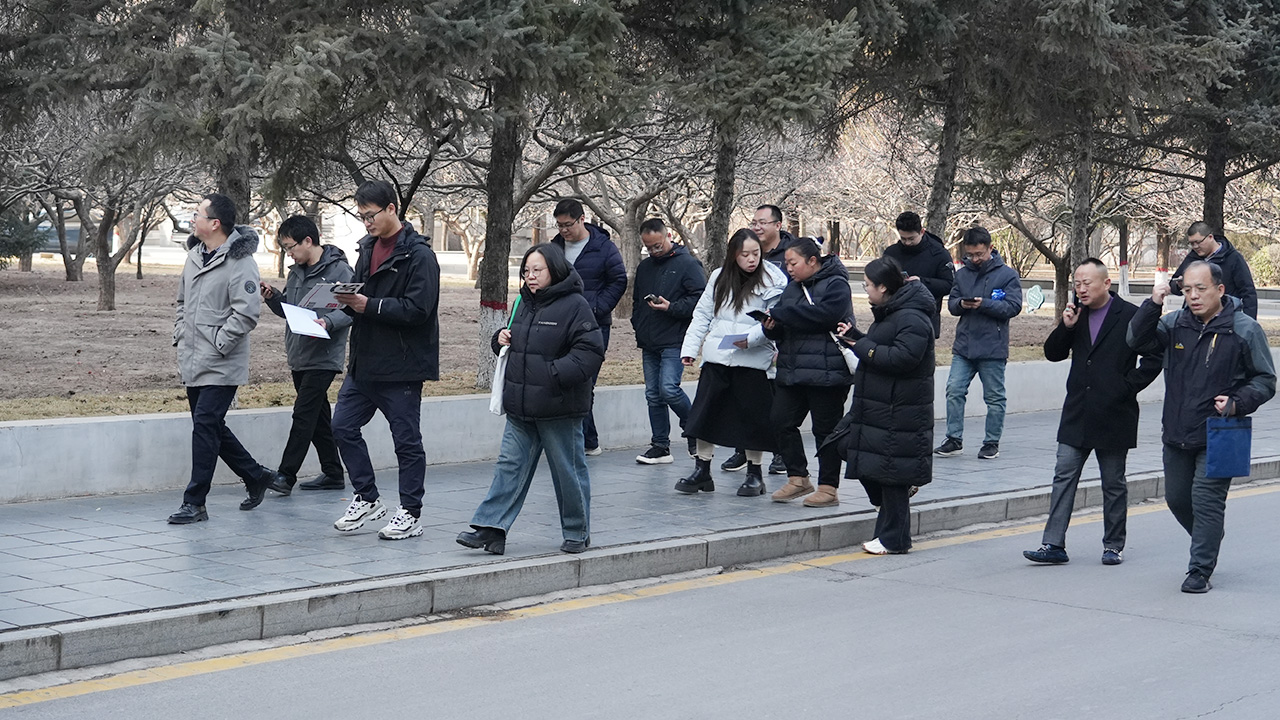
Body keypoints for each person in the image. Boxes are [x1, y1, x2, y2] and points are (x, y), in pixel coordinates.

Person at [1128, 260, 1275, 593]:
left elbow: (1265, 380)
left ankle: (1199, 570)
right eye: (1187, 289)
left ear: (1220, 290)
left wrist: (1237, 402)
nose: (1193, 296)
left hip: (1220, 432)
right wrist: (1153, 304)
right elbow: (1135, 340)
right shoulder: (1174, 324)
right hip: (1177, 429)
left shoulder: (1244, 329)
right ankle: (1209, 534)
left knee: (1207, 502)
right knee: (1177, 499)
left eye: (1200, 289)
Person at [457, 244, 605, 555]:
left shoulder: (575, 305)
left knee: (567, 471)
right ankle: (491, 528)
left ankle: (577, 532)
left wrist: (553, 374)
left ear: (555, 269)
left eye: (538, 270)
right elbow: (515, 344)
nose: (531, 276)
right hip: (521, 405)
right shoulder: (523, 302)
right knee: (509, 467)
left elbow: (590, 353)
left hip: (559, 406)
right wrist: (499, 339)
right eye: (526, 271)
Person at [1023, 259, 1162, 566]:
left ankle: (1113, 545)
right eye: (1077, 284)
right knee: (1063, 476)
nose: (1081, 289)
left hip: (1115, 412)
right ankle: (1053, 543)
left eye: (1087, 283)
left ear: (1106, 283)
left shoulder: (1130, 315)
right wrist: (1066, 326)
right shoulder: (1077, 314)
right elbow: (1053, 353)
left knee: (1113, 483)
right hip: (1078, 411)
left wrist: (1126, 387)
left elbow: (1154, 357)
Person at [330, 180, 440, 541]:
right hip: (364, 363)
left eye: (371, 215)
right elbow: (361, 295)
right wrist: (338, 305)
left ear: (392, 208)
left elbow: (419, 309)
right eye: (361, 217)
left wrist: (370, 306)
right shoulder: (367, 248)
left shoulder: (419, 256)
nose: (367, 223)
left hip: (402, 366)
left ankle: (411, 512)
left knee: (406, 442)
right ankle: (367, 496)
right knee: (342, 426)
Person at [168, 193, 274, 524]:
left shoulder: (241, 262)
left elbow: (247, 313)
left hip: (222, 361)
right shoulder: (194, 256)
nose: (192, 219)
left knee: (205, 425)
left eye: (197, 214)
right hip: (193, 358)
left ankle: (195, 501)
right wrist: (180, 332)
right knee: (209, 425)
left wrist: (219, 343)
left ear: (215, 223)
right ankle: (255, 475)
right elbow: (182, 302)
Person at [828, 256, 935, 553]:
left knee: (890, 474)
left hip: (900, 409)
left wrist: (862, 345)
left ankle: (894, 540)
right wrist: (854, 337)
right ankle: (888, 521)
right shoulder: (892, 312)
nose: (865, 291)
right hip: (879, 406)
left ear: (884, 287)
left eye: (868, 285)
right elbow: (882, 347)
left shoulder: (912, 317)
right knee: (846, 447)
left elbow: (902, 358)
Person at [676, 229, 789, 496]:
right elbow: (702, 315)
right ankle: (702, 470)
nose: (751, 259)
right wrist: (690, 348)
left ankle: (755, 474)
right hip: (717, 357)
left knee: (753, 418)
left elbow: (774, 319)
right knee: (705, 415)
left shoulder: (774, 278)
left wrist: (749, 340)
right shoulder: (719, 277)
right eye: (744, 254)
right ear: (733, 255)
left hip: (752, 361)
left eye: (755, 253)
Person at [259, 215, 354, 494]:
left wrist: (328, 322)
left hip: (324, 355)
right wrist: (273, 298)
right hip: (299, 353)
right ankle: (333, 473)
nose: (289, 253)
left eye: (291, 247)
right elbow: (290, 311)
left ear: (308, 241)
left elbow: (353, 310)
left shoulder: (340, 270)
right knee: (317, 416)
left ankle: (285, 476)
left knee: (303, 414)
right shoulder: (296, 272)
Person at [763, 237, 855, 507]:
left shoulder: (837, 283)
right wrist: (772, 327)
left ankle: (828, 487)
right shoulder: (792, 288)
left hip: (828, 372)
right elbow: (785, 326)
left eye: (793, 263)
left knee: (825, 431)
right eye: (787, 263)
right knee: (780, 421)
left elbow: (827, 316)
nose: (789, 268)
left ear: (812, 261)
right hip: (792, 370)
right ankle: (798, 477)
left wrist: (785, 315)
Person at [720, 204, 798, 476]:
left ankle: (779, 453)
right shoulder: (745, 252)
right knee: (745, 400)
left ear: (778, 225)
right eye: (754, 222)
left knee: (775, 401)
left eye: (763, 222)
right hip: (747, 340)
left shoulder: (790, 254)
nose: (757, 227)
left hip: (778, 338)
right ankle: (743, 450)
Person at [935, 227, 1023, 460]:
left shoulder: (1007, 275)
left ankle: (991, 442)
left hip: (993, 347)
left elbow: (1013, 307)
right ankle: (954, 439)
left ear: (990, 249)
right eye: (970, 254)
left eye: (979, 254)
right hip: (964, 346)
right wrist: (961, 304)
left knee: (994, 397)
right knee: (954, 390)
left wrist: (983, 304)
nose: (974, 259)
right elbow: (952, 304)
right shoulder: (962, 274)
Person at [551, 199, 627, 456]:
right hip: (560, 325)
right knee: (566, 380)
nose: (564, 230)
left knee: (585, 381)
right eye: (559, 225)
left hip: (594, 326)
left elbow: (618, 280)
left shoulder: (603, 247)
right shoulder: (554, 247)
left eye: (568, 224)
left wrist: (596, 308)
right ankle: (586, 441)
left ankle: (583, 441)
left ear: (582, 219)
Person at [630, 218, 706, 465]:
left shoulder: (687, 264)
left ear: (669, 236)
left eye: (657, 245)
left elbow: (700, 301)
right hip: (649, 339)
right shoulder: (645, 267)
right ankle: (660, 446)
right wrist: (637, 324)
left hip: (674, 338)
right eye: (648, 247)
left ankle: (694, 428)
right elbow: (636, 302)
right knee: (653, 395)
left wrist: (671, 307)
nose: (654, 251)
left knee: (669, 389)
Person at [882, 211, 955, 338]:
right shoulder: (891, 253)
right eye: (903, 239)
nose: (907, 243)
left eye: (911, 239)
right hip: (893, 315)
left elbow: (949, 284)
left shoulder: (939, 253)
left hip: (925, 318)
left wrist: (921, 282)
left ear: (922, 232)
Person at [1169, 221, 1257, 319]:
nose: (1195, 247)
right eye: (1192, 243)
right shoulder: (1192, 258)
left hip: (1225, 318)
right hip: (1193, 319)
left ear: (1210, 237)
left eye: (1198, 242)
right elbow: (1173, 285)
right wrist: (1178, 285)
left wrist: (1249, 322)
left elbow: (1248, 292)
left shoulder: (1233, 258)